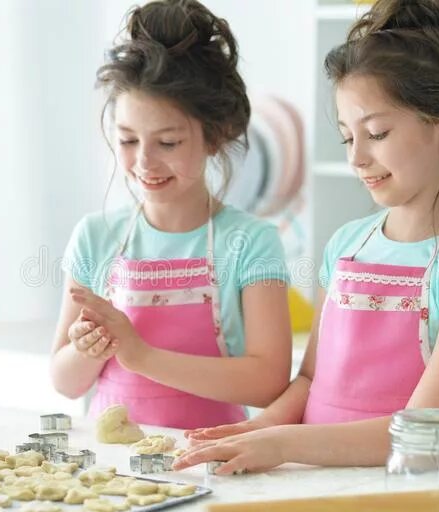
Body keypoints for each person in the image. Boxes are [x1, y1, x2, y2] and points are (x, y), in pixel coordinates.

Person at [174, 0, 439, 474]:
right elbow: (311, 377)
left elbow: (419, 431)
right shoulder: (347, 246)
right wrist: (262, 428)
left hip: (405, 496)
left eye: (376, 133)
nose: (357, 158)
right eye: (347, 137)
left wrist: (281, 443)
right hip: (315, 483)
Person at [51, 0, 292, 430]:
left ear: (214, 137)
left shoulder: (252, 242)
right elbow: (64, 382)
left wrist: (140, 354)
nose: (145, 162)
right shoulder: (96, 236)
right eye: (127, 141)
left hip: (210, 458)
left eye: (168, 143)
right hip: (111, 472)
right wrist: (87, 349)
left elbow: (268, 381)